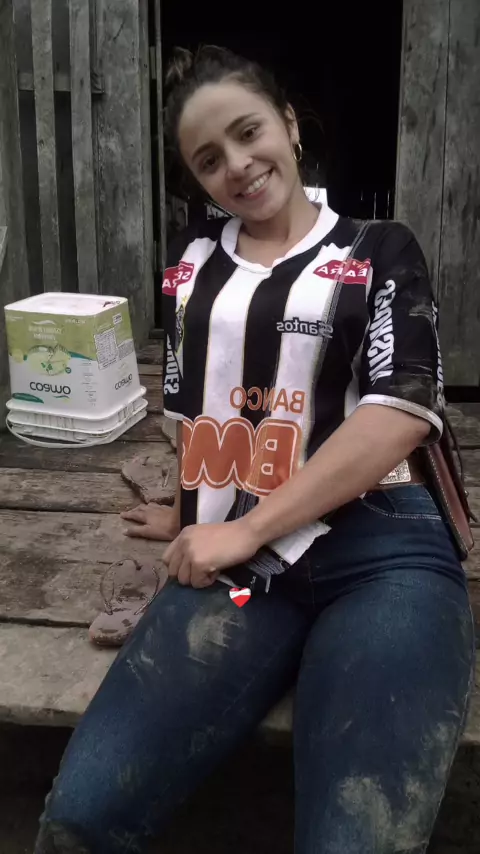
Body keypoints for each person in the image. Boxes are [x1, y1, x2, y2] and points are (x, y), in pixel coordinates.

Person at [34, 46, 474, 854]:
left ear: (290, 126)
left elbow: (401, 412)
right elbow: (196, 405)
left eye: (248, 132)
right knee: (79, 819)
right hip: (245, 583)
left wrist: (242, 528)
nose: (236, 165)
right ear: (197, 180)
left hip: (381, 556)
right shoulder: (192, 267)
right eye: (209, 159)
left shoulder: (379, 249)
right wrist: (189, 512)